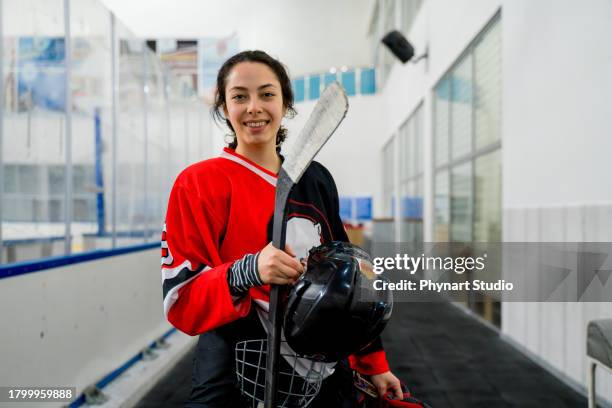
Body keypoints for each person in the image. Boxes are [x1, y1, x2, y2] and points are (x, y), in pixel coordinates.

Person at [161, 50, 402, 407]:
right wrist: (248, 270)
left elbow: (350, 286)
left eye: (267, 94)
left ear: (285, 102)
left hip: (322, 370)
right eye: (239, 96)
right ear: (224, 108)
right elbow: (181, 299)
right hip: (236, 370)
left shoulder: (316, 178)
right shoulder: (198, 183)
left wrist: (372, 365)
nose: (254, 107)